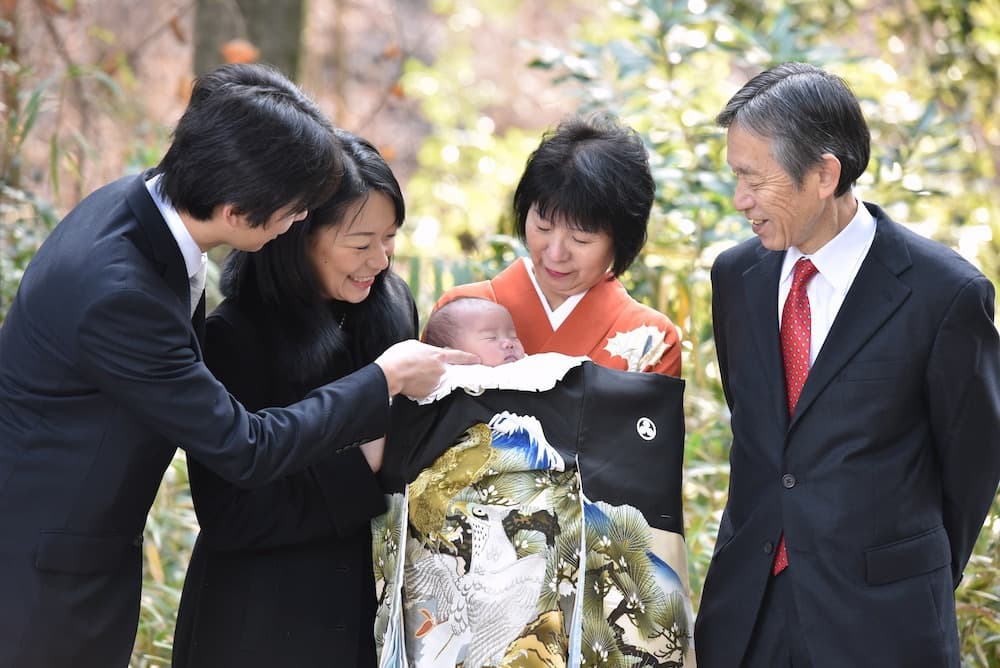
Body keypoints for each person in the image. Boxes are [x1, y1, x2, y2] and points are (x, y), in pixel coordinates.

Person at [0, 64, 475, 668]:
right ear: (236, 210)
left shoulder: (141, 210)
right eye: (295, 210)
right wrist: (382, 382)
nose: (299, 221)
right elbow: (244, 446)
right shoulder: (119, 289)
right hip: (40, 577)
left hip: (81, 552)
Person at [695, 61, 1000, 667]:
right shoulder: (737, 277)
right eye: (735, 176)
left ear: (824, 173)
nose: (740, 200)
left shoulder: (944, 294)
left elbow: (972, 468)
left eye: (754, 179)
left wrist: (903, 573)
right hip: (748, 617)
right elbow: (760, 439)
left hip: (882, 626)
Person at [171, 128, 420, 668]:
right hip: (263, 622)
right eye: (360, 243)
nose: (379, 261)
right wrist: (364, 462)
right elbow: (230, 515)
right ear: (296, 233)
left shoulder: (391, 306)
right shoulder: (234, 337)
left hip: (369, 616)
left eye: (390, 238)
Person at [433, 113, 682, 377]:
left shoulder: (651, 340)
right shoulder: (460, 313)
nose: (555, 253)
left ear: (621, 239)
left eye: (581, 239)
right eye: (543, 227)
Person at [423, 297, 526, 367]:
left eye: (513, 336)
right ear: (454, 355)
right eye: (491, 337)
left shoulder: (531, 367)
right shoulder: (455, 388)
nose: (509, 343)